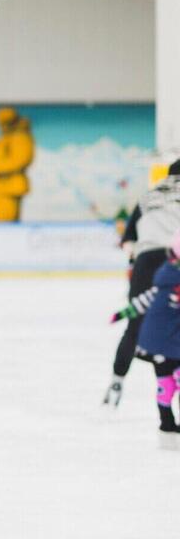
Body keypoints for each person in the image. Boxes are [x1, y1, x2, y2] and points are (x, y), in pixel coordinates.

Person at [104, 159, 180, 407]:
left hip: (145, 261)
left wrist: (137, 260)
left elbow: (127, 241)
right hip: (175, 261)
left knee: (135, 325)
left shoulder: (148, 196)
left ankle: (117, 380)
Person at [110, 229, 180, 450]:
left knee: (166, 384)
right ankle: (167, 427)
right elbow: (148, 301)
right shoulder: (171, 282)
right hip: (165, 344)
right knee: (169, 384)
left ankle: (166, 427)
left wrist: (123, 313)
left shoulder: (165, 277)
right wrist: (123, 314)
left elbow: (144, 300)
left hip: (159, 343)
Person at [0, 107, 34, 222]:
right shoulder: (5, 138)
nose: (1, 126)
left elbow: (20, 160)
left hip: (9, 187)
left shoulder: (19, 137)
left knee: (5, 223)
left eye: (4, 123)